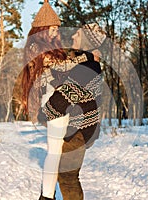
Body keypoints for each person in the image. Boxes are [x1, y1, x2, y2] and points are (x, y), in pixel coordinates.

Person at [38, 23, 107, 200]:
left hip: (79, 130)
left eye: (78, 34)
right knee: (67, 175)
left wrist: (44, 113)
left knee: (68, 177)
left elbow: (64, 97)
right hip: (81, 129)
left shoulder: (88, 68)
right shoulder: (87, 64)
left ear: (85, 40)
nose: (74, 37)